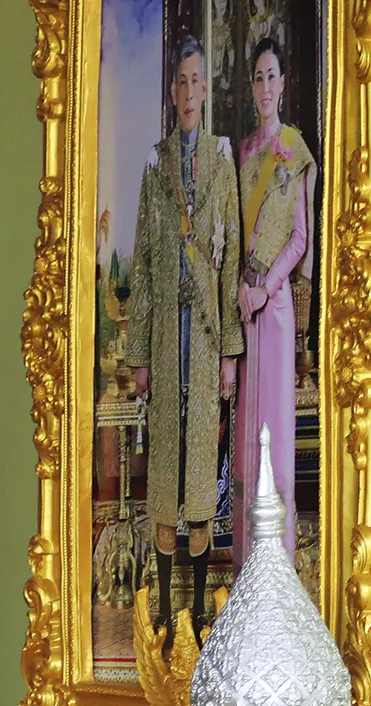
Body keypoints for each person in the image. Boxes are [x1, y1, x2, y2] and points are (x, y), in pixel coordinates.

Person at [129, 34, 245, 642]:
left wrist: (228, 351)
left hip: (203, 338)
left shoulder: (223, 163)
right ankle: (164, 608)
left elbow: (229, 262)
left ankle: (198, 609)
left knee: (199, 471)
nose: (190, 91)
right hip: (165, 339)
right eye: (182, 81)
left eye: (198, 80)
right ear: (172, 91)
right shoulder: (156, 166)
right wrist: (140, 355)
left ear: (207, 88)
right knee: (165, 475)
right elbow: (145, 260)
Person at [233, 36, 316, 566]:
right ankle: (248, 560)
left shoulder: (296, 150)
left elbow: (301, 237)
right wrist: (243, 289)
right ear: (252, 87)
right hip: (245, 308)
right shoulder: (243, 154)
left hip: (277, 307)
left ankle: (278, 565)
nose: (265, 86)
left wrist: (268, 286)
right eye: (258, 77)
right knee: (246, 433)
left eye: (272, 76)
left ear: (284, 84)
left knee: (275, 433)